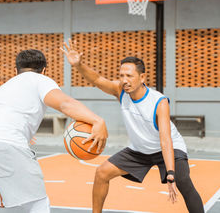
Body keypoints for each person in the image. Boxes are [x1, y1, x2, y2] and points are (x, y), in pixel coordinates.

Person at [0, 49, 108, 213]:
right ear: (44, 71)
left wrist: (2, 178)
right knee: (38, 204)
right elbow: (64, 104)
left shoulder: (5, 87)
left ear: (15, 71)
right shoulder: (41, 80)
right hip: (4, 142)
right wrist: (97, 120)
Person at [61, 40, 204, 213]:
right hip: (139, 150)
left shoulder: (159, 102)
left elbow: (165, 140)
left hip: (167, 148)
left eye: (129, 76)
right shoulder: (121, 90)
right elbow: (98, 79)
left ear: (142, 77)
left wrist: (171, 173)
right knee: (101, 173)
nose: (124, 80)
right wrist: (79, 65)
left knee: (183, 181)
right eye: (121, 75)